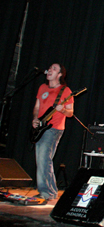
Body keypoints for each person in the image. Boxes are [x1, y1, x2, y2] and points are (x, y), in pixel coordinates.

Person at [32, 63, 74, 201]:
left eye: (54, 69)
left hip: (54, 128)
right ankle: (51, 191)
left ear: (60, 74)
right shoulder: (42, 88)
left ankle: (46, 192)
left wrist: (62, 109)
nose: (50, 70)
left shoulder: (65, 90)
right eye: (49, 68)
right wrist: (35, 119)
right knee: (42, 159)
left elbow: (70, 113)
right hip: (41, 127)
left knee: (44, 158)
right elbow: (37, 107)